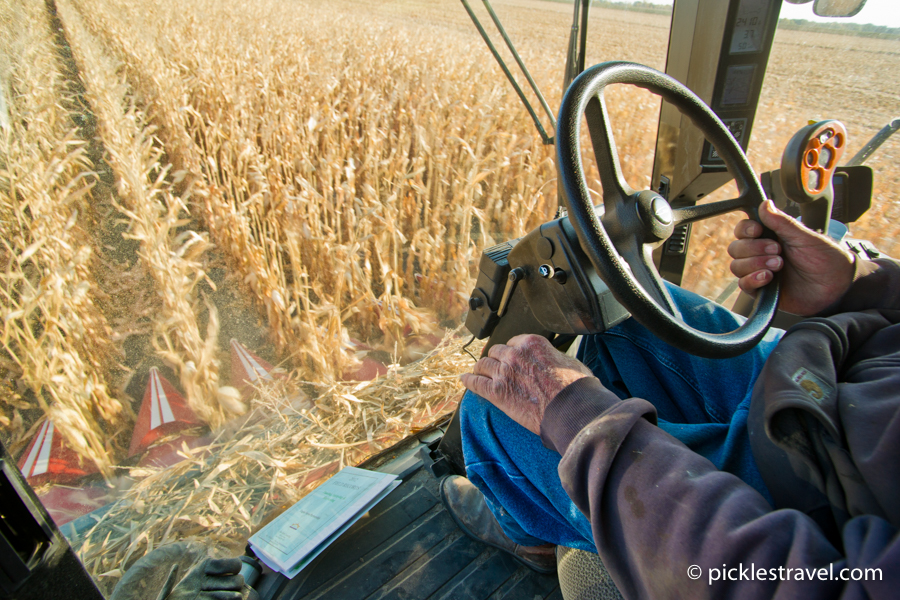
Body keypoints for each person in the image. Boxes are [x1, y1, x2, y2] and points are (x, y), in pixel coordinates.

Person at [441, 199, 899, 598]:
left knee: (494, 409)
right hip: (833, 380)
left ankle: (526, 531)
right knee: (623, 313)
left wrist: (582, 419)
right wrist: (861, 284)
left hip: (812, 488)